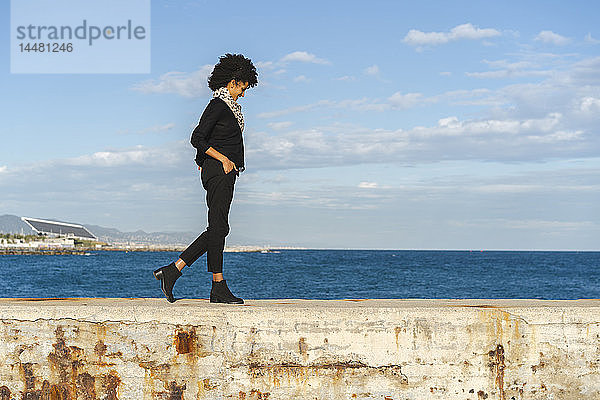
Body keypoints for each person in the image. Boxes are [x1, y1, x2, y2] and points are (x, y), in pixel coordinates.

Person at [153, 53, 258, 304]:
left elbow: (208, 140)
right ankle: (216, 286)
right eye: (242, 87)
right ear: (233, 82)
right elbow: (197, 138)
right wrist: (220, 160)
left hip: (221, 172)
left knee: (218, 228)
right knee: (219, 228)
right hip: (220, 172)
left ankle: (174, 271)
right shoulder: (219, 105)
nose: (243, 93)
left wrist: (202, 162)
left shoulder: (227, 107)